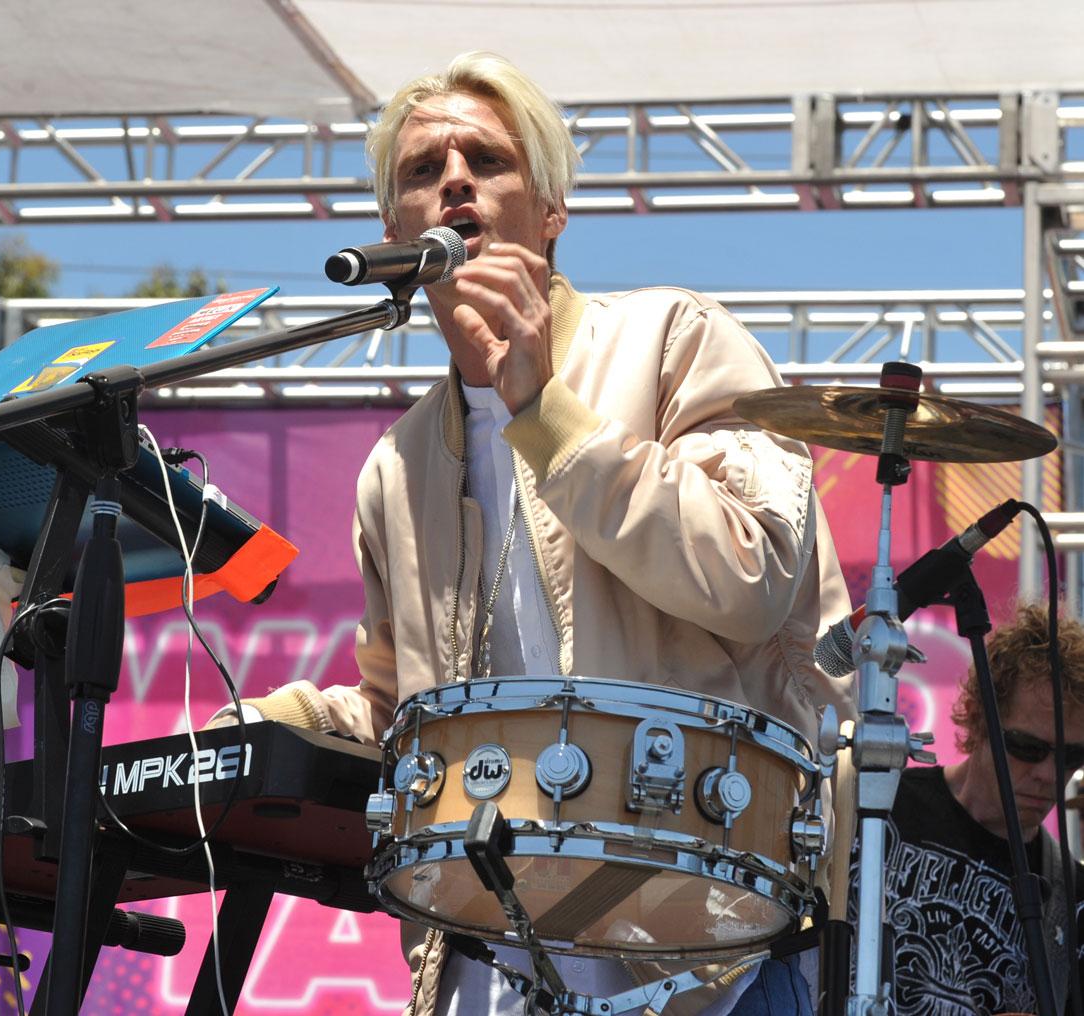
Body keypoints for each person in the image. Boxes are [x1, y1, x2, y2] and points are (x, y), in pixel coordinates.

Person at [217, 52, 854, 1015]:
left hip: (702, 951)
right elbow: (407, 712)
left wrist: (544, 412)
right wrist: (278, 723)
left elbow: (753, 577)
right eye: (422, 172)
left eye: (487, 160)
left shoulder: (674, 338)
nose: (455, 182)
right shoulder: (395, 466)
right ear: (395, 231)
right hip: (491, 956)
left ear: (552, 211)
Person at [848, 602, 1084, 1016]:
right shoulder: (875, 805)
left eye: (1072, 756)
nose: (1049, 774)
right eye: (1028, 748)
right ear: (977, 719)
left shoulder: (1072, 895)